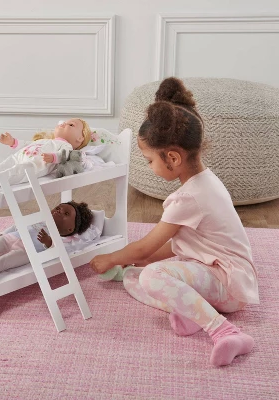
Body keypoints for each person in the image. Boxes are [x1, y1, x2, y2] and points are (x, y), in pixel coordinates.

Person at [89, 77, 259, 367]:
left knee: (150, 277)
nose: (150, 167)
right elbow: (180, 245)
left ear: (172, 158)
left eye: (149, 161)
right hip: (215, 272)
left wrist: (111, 258)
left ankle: (225, 331)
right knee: (133, 277)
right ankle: (193, 312)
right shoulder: (205, 181)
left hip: (229, 285)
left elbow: (145, 247)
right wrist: (135, 262)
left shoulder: (189, 198)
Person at [0, 201, 93, 274]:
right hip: (10, 238)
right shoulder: (40, 219)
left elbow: (56, 251)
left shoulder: (62, 238)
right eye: (58, 208)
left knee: (5, 261)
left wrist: (48, 242)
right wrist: (3, 233)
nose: (59, 211)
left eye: (66, 213)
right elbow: (17, 226)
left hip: (25, 251)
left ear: (70, 229)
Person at [0, 118, 91, 184]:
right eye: (64, 122)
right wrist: (12, 142)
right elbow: (28, 144)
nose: (64, 123)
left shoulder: (66, 145)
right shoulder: (45, 140)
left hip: (35, 164)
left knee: (17, 171)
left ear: (80, 138)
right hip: (20, 156)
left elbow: (64, 155)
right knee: (7, 163)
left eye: (71, 125)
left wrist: (53, 157)